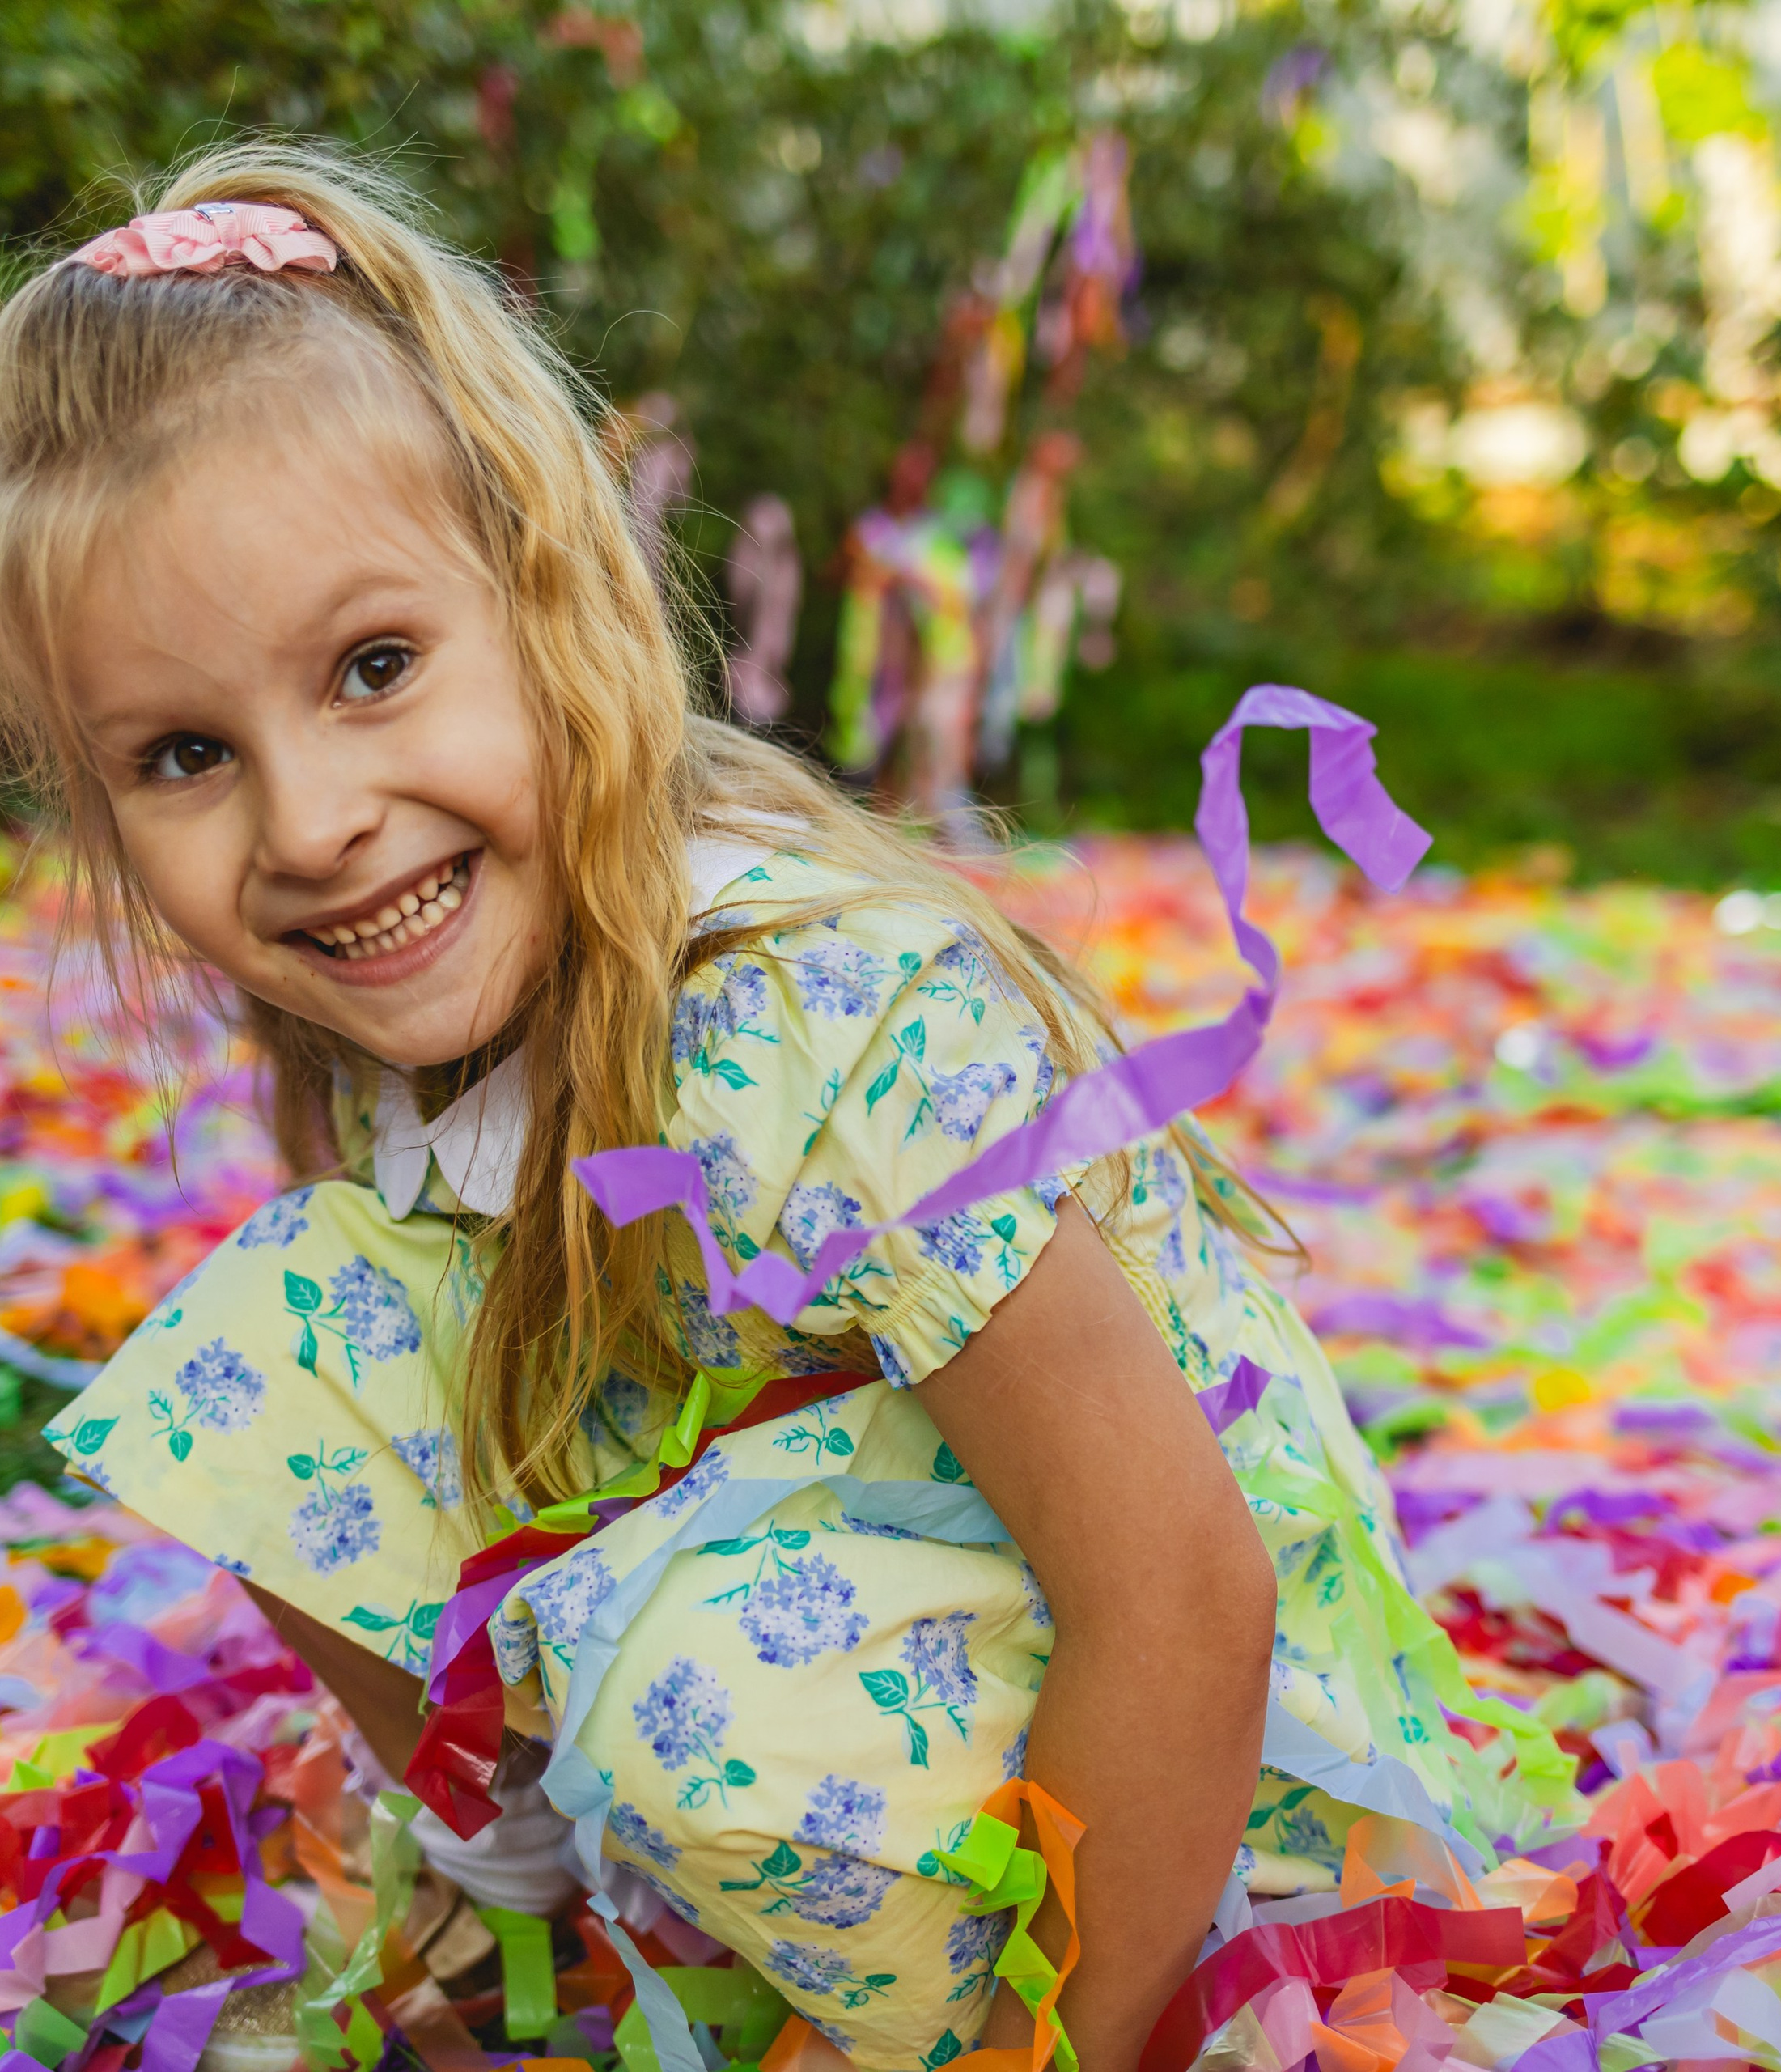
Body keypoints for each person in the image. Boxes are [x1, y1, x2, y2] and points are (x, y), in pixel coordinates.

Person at [0, 146, 1466, 2071]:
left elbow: (1180, 1589)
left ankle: (954, 1993)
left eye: (375, 668)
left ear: (547, 592)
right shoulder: (399, 1014)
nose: (309, 822)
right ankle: (543, 1907)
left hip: (1199, 1799)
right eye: (185, 755)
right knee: (272, 1353)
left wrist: (1069, 2047)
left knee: (694, 1687)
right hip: (843, 1598)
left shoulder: (801, 1009)